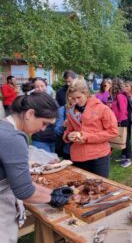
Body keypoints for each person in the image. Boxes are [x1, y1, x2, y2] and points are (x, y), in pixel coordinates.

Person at [0, 93, 72, 242]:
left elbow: (23, 181)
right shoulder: (14, 138)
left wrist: (52, 192)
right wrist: (52, 200)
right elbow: (24, 191)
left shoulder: (3, 126)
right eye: (44, 123)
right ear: (30, 114)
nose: (43, 129)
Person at [63, 77, 118, 177]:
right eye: (73, 98)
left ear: (87, 93)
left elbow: (113, 131)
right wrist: (68, 136)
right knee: (80, 188)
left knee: (99, 188)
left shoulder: (102, 108)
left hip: (98, 156)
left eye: (79, 97)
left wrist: (86, 136)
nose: (76, 101)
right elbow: (69, 130)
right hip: (78, 156)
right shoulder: (71, 110)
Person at [31, 78, 57, 153]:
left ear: (46, 86)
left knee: (53, 161)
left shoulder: (52, 100)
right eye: (37, 87)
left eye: (42, 86)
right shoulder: (31, 101)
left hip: (52, 138)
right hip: (39, 139)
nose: (40, 89)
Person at [110, 78, 130, 168]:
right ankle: (124, 155)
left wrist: (119, 121)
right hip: (121, 120)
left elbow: (122, 110)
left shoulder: (120, 96)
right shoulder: (118, 95)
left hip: (122, 120)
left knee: (126, 139)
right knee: (124, 138)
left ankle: (128, 158)